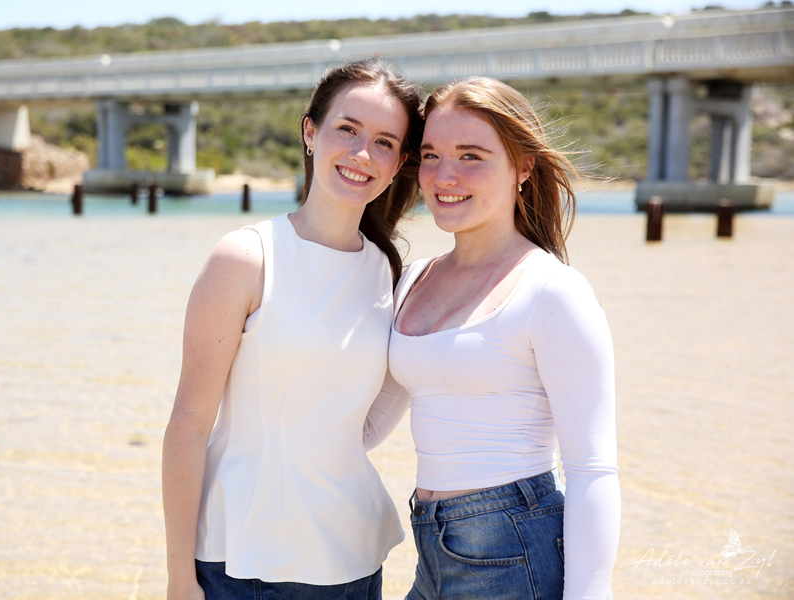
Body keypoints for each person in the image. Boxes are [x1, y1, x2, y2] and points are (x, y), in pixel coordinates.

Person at [161, 58, 423, 600]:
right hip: (246, 564)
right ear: (310, 132)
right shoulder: (246, 258)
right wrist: (179, 578)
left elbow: (360, 422)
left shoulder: (386, 270)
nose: (361, 154)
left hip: (354, 560)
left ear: (399, 163)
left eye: (383, 142)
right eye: (347, 129)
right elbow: (189, 423)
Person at [388, 77, 620, 600]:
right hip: (431, 547)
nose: (444, 176)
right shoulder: (413, 279)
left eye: (470, 156)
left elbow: (592, 469)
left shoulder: (552, 291)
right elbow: (372, 418)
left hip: (514, 546)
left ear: (523, 167)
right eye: (431, 155)